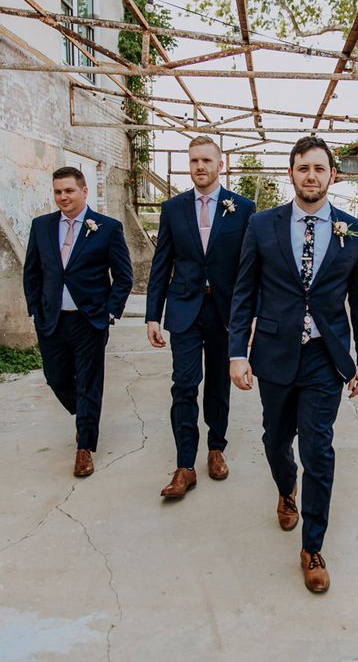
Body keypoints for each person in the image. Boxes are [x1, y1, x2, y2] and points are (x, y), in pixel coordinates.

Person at [229, 136, 358, 594]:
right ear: (290, 174)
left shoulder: (353, 230)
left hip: (324, 357)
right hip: (273, 352)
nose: (311, 176)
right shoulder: (262, 225)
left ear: (332, 175)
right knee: (276, 439)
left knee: (318, 447)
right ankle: (285, 486)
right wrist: (237, 352)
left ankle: (313, 545)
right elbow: (244, 291)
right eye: (302, 168)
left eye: (319, 168)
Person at [145, 136, 254, 498]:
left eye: (206, 160)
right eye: (194, 161)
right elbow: (161, 264)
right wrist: (152, 315)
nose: (200, 167)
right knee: (184, 385)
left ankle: (216, 448)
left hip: (226, 312)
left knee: (219, 386)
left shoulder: (243, 207)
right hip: (185, 309)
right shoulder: (173, 208)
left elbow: (250, 268)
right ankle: (184, 465)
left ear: (220, 165)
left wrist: (250, 315)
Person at [23, 166, 133, 477]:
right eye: (58, 191)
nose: (63, 197)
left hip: (90, 321)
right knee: (56, 378)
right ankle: (84, 414)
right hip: (52, 320)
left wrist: (110, 311)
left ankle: (85, 446)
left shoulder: (108, 228)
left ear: (84, 192)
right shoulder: (41, 226)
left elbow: (123, 277)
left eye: (69, 191)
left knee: (88, 383)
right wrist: (35, 308)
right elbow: (32, 272)